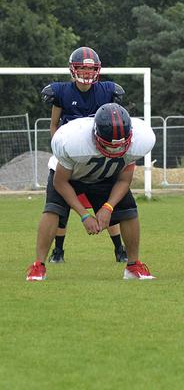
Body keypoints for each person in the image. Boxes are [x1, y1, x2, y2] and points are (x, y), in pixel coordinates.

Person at [27, 104, 157, 281]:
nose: (114, 150)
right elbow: (60, 182)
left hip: (106, 176)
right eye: (108, 145)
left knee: (128, 210)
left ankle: (133, 266)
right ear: (95, 136)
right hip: (70, 177)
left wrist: (108, 207)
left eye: (120, 146)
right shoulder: (72, 140)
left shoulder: (141, 140)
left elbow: (124, 180)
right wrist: (84, 215)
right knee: (53, 209)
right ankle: (38, 266)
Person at [40, 46, 128, 264]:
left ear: (97, 70)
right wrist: (60, 151)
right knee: (59, 206)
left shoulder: (108, 90)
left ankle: (120, 249)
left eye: (91, 69)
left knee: (106, 204)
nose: (87, 73)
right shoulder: (61, 92)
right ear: (73, 69)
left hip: (98, 156)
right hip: (70, 156)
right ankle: (58, 251)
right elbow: (54, 126)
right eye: (82, 68)